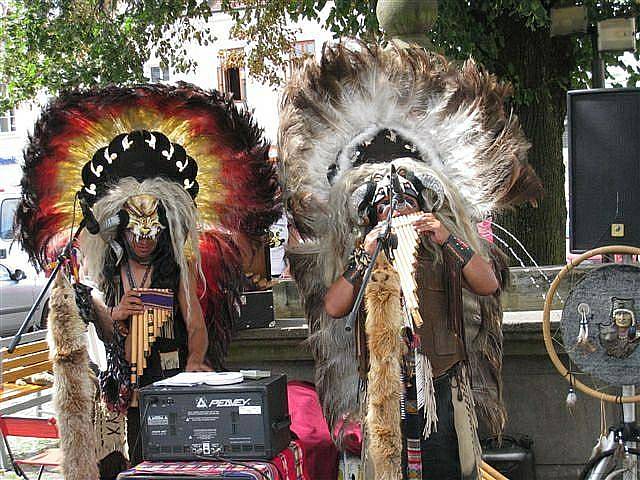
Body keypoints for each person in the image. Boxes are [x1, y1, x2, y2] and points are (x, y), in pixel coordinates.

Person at [278, 40, 542, 479]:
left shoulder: (444, 246)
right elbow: (333, 306)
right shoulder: (362, 250)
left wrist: (447, 236)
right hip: (381, 391)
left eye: (404, 202)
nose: (396, 211)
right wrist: (364, 255)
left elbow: (487, 285)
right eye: (385, 204)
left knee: (444, 470)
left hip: (438, 386)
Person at [15, 84, 280, 475]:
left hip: (171, 381)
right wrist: (114, 313)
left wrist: (194, 360)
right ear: (120, 226)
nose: (143, 239)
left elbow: (195, 325)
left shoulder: (179, 267)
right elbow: (93, 331)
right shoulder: (102, 269)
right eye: (135, 231)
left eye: (152, 231)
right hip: (123, 394)